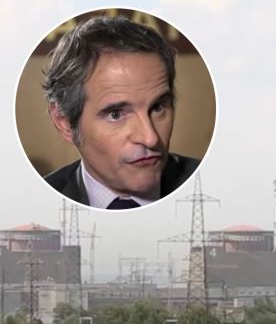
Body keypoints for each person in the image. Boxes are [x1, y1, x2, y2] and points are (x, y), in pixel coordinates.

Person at [42, 16, 199, 209]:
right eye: (115, 114)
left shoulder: (215, 183)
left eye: (157, 107)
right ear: (65, 123)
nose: (150, 138)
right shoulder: (33, 206)